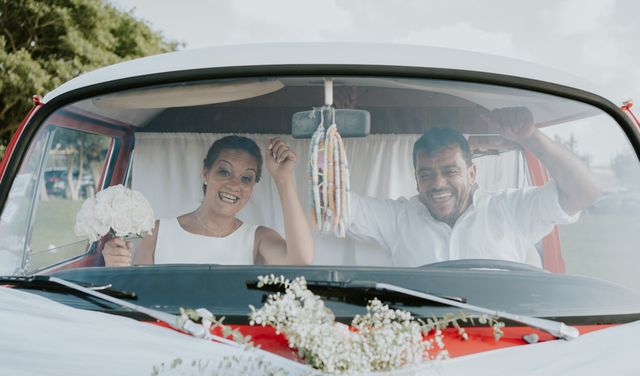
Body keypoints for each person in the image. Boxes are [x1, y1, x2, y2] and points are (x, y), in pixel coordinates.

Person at [344, 106, 601, 266]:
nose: (438, 183)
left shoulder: (510, 209)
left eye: (450, 171)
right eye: (426, 174)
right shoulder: (398, 218)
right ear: (416, 179)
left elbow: (584, 192)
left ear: (472, 172)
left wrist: (530, 137)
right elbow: (335, 205)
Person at [102, 135, 314, 266]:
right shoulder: (156, 233)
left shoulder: (259, 238)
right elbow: (140, 296)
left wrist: (283, 178)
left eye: (246, 178)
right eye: (224, 172)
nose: (234, 184)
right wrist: (115, 265)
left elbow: (300, 260)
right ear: (206, 173)